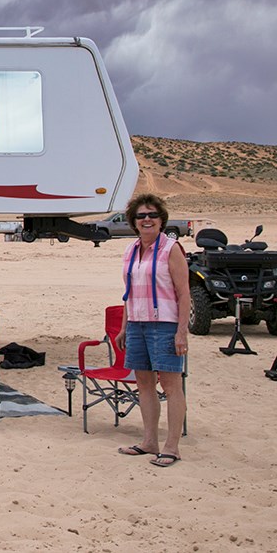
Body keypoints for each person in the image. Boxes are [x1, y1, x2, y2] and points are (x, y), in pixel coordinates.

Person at [114, 193, 190, 467]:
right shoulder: (131, 250)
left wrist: (181, 332)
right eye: (141, 216)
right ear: (133, 222)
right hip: (137, 324)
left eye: (152, 215)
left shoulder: (172, 249)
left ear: (161, 220)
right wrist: (124, 327)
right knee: (144, 385)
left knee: (171, 386)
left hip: (165, 324)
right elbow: (128, 294)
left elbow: (184, 293)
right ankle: (149, 441)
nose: (147, 220)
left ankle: (172, 447)